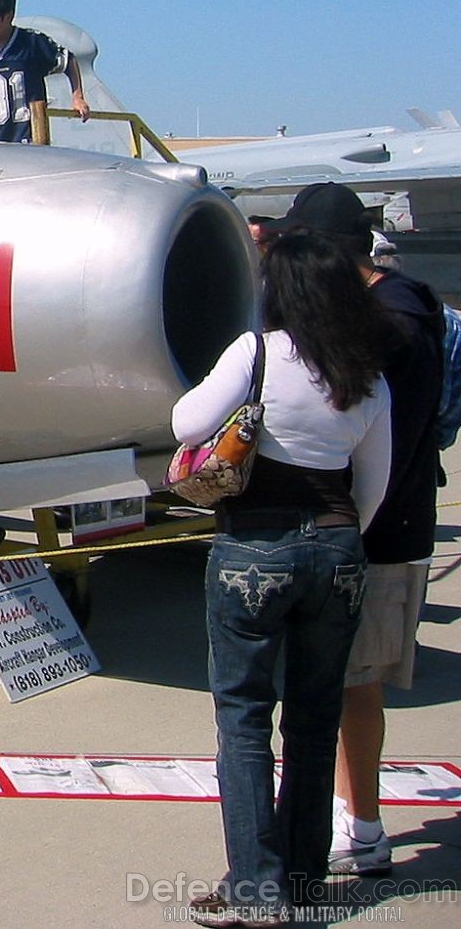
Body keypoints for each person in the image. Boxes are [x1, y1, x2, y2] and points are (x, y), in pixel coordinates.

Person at [171, 232, 393, 926]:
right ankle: (302, 879)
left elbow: (185, 422)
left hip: (253, 547)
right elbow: (373, 489)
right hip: (338, 547)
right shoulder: (368, 376)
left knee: (243, 720)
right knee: (315, 717)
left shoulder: (257, 354)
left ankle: (255, 889)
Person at [258, 184, 444, 879]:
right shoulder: (398, 310)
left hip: (376, 534)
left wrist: (349, 531)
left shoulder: (392, 327)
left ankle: (362, 825)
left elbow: (383, 444)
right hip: (372, 527)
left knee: (355, 684)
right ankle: (350, 810)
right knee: (339, 685)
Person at [0, 0, 89, 144]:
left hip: (29, 137)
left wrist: (77, 97)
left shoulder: (31, 42)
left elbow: (68, 60)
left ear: (8, 16)